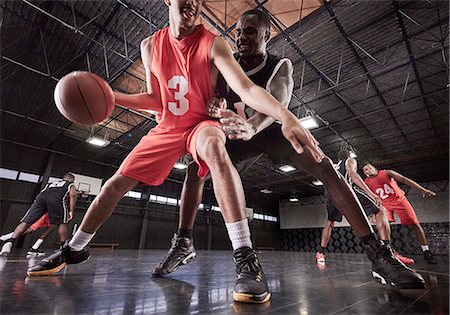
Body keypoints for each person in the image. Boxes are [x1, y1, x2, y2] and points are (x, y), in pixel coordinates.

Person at [28, 0, 325, 305]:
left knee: (215, 148)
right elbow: (156, 98)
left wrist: (286, 116)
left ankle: (245, 257)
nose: (194, 2)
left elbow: (246, 88)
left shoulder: (214, 44)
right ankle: (75, 248)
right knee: (114, 184)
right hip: (167, 128)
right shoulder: (150, 45)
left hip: (201, 124)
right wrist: (111, 97)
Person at [150, 8, 425, 291]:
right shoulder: (224, 62)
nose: (241, 37)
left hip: (269, 132)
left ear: (267, 35)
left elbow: (279, 102)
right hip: (234, 134)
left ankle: (378, 255)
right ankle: (183, 242)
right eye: (238, 31)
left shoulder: (280, 65)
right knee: (195, 169)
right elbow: (209, 97)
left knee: (327, 167)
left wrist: (254, 125)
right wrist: (214, 106)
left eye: (249, 31)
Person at [315, 150, 414, 265]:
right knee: (380, 210)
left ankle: (320, 252)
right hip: (347, 191)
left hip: (331, 195)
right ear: (348, 156)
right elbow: (352, 174)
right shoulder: (350, 160)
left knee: (330, 223)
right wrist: (371, 194)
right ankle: (388, 251)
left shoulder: (333, 166)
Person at [362, 163, 437, 264]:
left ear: (374, 168)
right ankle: (389, 251)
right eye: (365, 170)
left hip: (399, 201)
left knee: (414, 224)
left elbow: (404, 179)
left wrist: (422, 190)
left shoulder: (386, 172)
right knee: (383, 225)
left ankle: (426, 251)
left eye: (369, 168)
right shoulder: (366, 183)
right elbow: (368, 197)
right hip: (384, 204)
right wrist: (372, 212)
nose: (368, 170)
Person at [0, 173, 77, 256]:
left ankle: (10, 242)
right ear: (71, 179)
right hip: (55, 200)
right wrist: (71, 211)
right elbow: (73, 195)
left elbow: (42, 193)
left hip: (40, 199)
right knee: (62, 223)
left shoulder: (50, 184)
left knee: (26, 222)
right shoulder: (70, 185)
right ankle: (64, 249)